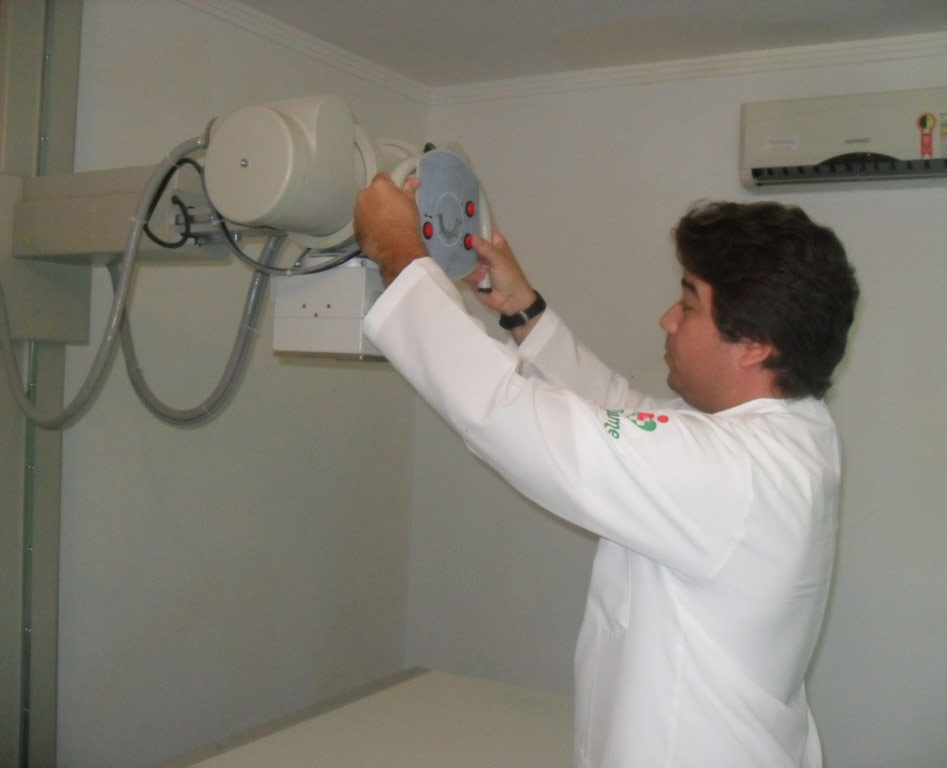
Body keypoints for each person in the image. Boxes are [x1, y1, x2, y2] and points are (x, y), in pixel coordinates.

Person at [353, 173, 859, 768]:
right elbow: (624, 416)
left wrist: (401, 255)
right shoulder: (792, 432)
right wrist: (523, 309)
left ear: (755, 345)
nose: (668, 319)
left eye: (689, 303)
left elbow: (509, 417)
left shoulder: (732, 474)